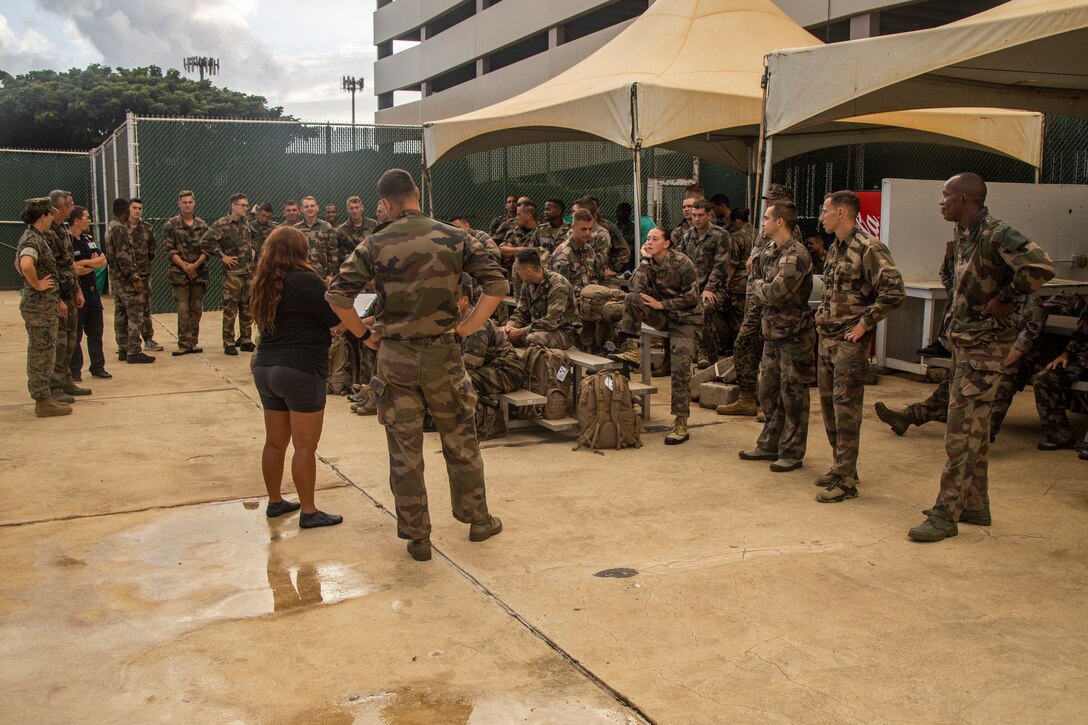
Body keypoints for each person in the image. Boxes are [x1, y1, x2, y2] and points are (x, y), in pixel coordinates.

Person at [327, 168, 507, 562]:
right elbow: (497, 285)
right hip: (444, 352)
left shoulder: (374, 243)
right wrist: (467, 327)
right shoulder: (456, 237)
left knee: (404, 449)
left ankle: (418, 536)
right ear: (414, 195)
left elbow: (337, 296)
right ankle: (477, 519)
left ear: (388, 203)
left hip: (396, 357)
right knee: (461, 438)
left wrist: (364, 335)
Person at [908, 174, 1056, 541]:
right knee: (974, 429)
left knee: (960, 433)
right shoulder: (964, 234)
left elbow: (1041, 265)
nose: (941, 201)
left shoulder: (995, 232)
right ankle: (974, 504)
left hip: (985, 349)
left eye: (946, 195)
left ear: (966, 198)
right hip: (966, 344)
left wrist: (1008, 296)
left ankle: (946, 514)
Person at [814, 190, 905, 503]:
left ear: (841, 212)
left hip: (848, 343)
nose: (821, 216)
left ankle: (846, 480)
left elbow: (894, 291)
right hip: (827, 338)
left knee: (846, 410)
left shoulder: (868, 247)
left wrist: (866, 323)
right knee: (828, 408)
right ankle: (841, 465)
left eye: (825, 211)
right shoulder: (835, 248)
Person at [250, 226, 343, 529]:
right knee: (305, 446)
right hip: (300, 369)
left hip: (265, 368)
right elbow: (334, 319)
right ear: (300, 251)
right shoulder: (306, 280)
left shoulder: (263, 282)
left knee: (275, 443)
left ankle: (275, 502)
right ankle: (309, 510)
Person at [738, 201, 815, 472]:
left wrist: (759, 284)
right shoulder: (769, 252)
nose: (763, 222)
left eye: (768, 217)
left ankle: (792, 452)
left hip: (793, 336)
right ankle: (770, 443)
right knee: (769, 392)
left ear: (780, 222)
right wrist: (761, 285)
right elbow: (756, 284)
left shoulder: (795, 255)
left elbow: (775, 293)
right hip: (771, 333)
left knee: (793, 395)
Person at [611, 226, 702, 445]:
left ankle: (681, 422)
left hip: (685, 318)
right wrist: (642, 261)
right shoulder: (649, 263)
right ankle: (633, 349)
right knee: (632, 298)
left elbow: (692, 297)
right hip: (661, 313)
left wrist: (662, 304)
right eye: (648, 239)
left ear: (667, 243)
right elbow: (633, 287)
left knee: (680, 369)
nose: (649, 243)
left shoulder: (682, 263)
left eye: (654, 239)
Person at [718, 184, 802, 417]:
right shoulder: (766, 230)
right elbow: (753, 261)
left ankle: (769, 403)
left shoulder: (790, 233)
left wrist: (757, 267)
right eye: (767, 200)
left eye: (773, 200)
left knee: (770, 355)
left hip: (772, 304)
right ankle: (748, 396)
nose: (767, 204)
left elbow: (771, 268)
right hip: (755, 300)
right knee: (746, 345)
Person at [16, 198, 71, 417]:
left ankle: (45, 397)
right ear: (43, 216)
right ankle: (42, 400)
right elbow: (25, 264)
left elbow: (19, 264)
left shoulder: (36, 237)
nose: (51, 217)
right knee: (41, 352)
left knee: (45, 350)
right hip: (39, 309)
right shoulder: (32, 239)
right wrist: (37, 284)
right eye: (50, 214)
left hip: (44, 307)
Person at [201, 193, 257, 355]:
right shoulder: (222, 224)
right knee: (230, 308)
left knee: (247, 307)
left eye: (247, 205)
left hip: (248, 272)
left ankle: (246, 339)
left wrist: (252, 248)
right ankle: (229, 342)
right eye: (242, 205)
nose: (245, 208)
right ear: (233, 206)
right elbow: (205, 241)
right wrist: (221, 256)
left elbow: (250, 236)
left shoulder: (245, 222)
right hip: (233, 273)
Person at [45, 189, 87, 402]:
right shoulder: (47, 231)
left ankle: (66, 380)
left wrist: (77, 289)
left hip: (70, 291)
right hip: (57, 295)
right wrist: (58, 298)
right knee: (59, 342)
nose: (72, 207)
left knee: (71, 340)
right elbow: (47, 267)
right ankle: (54, 385)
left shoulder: (62, 230)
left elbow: (69, 264)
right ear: (62, 207)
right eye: (70, 204)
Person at [681, 199, 732, 367]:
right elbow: (680, 262)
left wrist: (709, 288)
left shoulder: (720, 235)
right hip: (693, 288)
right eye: (694, 215)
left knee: (706, 307)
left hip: (715, 288)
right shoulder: (688, 236)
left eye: (700, 215)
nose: (696, 219)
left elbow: (721, 265)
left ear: (708, 215)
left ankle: (704, 350)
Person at [106, 198, 156, 364]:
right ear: (125, 211)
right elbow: (123, 257)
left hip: (117, 279)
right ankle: (134, 351)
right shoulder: (119, 229)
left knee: (120, 313)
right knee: (135, 314)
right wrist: (135, 277)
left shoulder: (111, 227)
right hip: (126, 280)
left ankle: (123, 348)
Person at [1033, 303, 1088, 453]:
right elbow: (1079, 337)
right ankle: (1060, 435)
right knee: (1044, 379)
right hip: (1083, 361)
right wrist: (1066, 354)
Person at [163, 190, 209, 355]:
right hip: (179, 274)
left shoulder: (202, 225)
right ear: (179, 204)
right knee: (183, 310)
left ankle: (193, 342)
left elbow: (207, 249)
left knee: (196, 308)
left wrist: (194, 266)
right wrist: (185, 266)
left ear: (194, 203)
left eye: (190, 202)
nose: (187, 205)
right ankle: (184, 343)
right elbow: (170, 250)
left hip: (198, 273)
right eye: (184, 202)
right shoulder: (171, 225)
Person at [502, 249, 578, 350]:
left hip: (563, 331)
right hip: (536, 328)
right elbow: (520, 312)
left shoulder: (558, 285)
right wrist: (508, 328)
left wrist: (520, 332)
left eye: (517, 269)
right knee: (501, 337)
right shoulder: (527, 283)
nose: (516, 273)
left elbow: (551, 322)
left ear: (528, 271)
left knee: (533, 339)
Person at [551, 210, 605, 350]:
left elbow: (594, 277)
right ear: (572, 227)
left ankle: (606, 350)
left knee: (612, 308)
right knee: (607, 312)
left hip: (588, 301)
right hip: (571, 305)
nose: (588, 233)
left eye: (590, 229)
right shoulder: (563, 254)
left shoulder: (589, 250)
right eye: (583, 229)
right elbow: (561, 290)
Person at [67, 206, 109, 380]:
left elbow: (103, 261)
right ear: (77, 220)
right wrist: (90, 264)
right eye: (86, 217)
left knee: (96, 332)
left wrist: (85, 263)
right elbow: (73, 269)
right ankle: (75, 371)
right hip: (78, 292)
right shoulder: (67, 241)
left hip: (93, 292)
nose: (89, 220)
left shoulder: (88, 239)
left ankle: (98, 367)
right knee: (75, 335)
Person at [127, 198, 163, 351]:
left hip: (144, 274)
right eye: (134, 208)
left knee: (146, 307)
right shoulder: (120, 228)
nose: (137, 211)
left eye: (140, 208)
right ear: (128, 209)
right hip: (125, 277)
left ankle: (148, 339)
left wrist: (142, 268)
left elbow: (152, 251)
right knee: (124, 310)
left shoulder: (147, 228)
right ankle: (124, 343)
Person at [723, 208, 755, 348]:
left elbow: (732, 264)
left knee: (736, 319)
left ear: (737, 222)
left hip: (738, 282)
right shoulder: (760, 234)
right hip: (755, 281)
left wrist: (727, 282)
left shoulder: (736, 237)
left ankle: (737, 349)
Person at [297, 196, 338, 283]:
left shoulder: (327, 227)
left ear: (317, 208)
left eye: (312, 206)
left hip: (322, 276)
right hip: (301, 274)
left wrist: (330, 274)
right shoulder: (296, 229)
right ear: (301, 210)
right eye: (306, 206)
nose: (310, 208)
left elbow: (333, 252)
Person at [336, 195, 377, 266]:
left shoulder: (374, 225)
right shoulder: (341, 230)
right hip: (352, 267)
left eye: (357, 207)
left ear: (362, 208)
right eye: (351, 208)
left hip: (371, 266)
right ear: (347, 210)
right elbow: (338, 253)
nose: (354, 211)